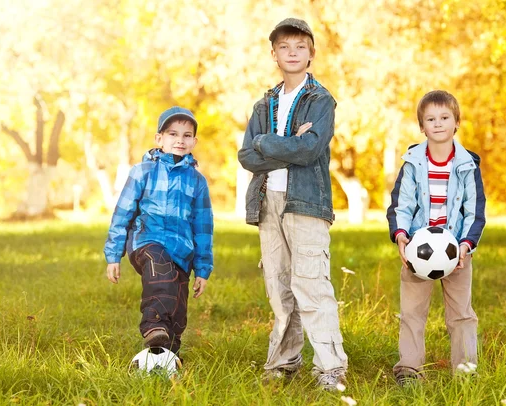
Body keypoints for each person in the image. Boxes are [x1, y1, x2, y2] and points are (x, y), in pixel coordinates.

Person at [237, 18, 348, 390]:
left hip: (306, 202)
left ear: (311, 53)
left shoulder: (321, 100)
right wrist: (286, 146)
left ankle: (331, 368)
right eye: (284, 47)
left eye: (300, 46)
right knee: (280, 287)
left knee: (312, 285)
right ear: (274, 54)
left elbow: (310, 148)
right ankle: (284, 361)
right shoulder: (264, 103)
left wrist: (267, 143)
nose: (292, 53)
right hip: (268, 201)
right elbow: (246, 157)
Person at [386, 90, 486, 385]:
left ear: (457, 122)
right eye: (431, 119)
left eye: (445, 118)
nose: (438, 123)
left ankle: (465, 369)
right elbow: (401, 205)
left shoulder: (468, 165)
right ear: (422, 126)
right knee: (412, 313)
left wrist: (465, 246)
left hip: (457, 253)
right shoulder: (413, 163)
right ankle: (409, 369)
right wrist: (402, 236)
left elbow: (475, 211)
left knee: (461, 314)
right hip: (419, 251)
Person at [104, 106, 213, 361]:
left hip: (181, 251)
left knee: (178, 308)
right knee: (159, 268)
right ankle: (153, 324)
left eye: (187, 135)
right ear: (159, 139)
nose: (180, 140)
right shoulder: (142, 172)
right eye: (173, 134)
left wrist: (203, 268)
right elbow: (122, 213)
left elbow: (203, 227)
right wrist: (113, 255)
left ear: (194, 141)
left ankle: (167, 356)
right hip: (147, 242)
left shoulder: (197, 181)